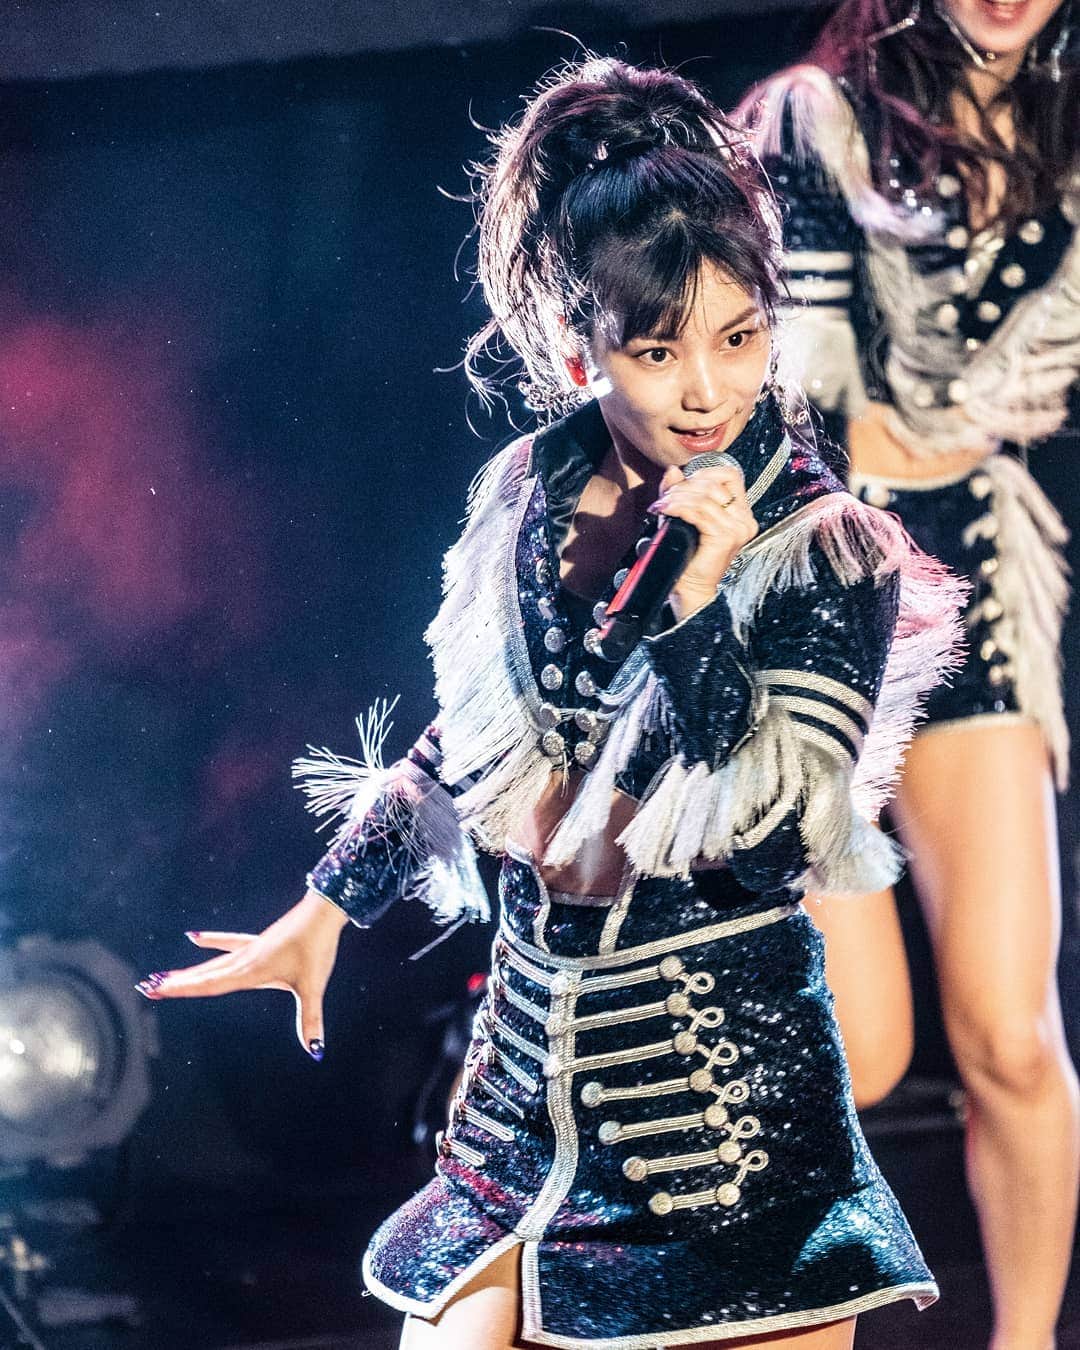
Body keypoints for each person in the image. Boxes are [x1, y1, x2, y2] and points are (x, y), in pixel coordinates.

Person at [138, 57, 965, 1349]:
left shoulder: (825, 546)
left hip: (722, 1137)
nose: (707, 390)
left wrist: (692, 604)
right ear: (582, 350)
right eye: (659, 350)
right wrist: (326, 907)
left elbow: (773, 826)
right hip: (524, 1109)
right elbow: (474, 737)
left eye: (739, 338)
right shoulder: (527, 491)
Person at [741, 4, 1080, 1345]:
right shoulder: (815, 122)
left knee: (1009, 1031)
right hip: (816, 581)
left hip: (978, 570)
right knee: (858, 1050)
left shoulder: (1065, 137)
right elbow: (785, 390)